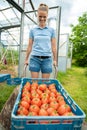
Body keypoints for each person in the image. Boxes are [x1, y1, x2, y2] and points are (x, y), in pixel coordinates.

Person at [25, 3, 57, 78]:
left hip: (47, 59)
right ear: (37, 16)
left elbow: (54, 47)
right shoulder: (33, 30)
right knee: (34, 84)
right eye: (40, 16)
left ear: (47, 16)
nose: (42, 19)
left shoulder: (51, 30)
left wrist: (55, 60)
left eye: (44, 17)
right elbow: (29, 46)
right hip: (34, 58)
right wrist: (26, 59)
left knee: (44, 85)